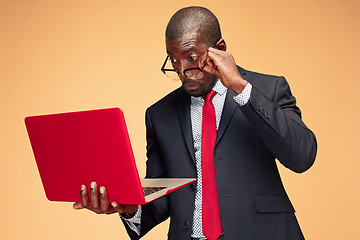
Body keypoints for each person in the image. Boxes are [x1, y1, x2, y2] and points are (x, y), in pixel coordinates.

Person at [73, 6, 317, 240]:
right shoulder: (159, 115)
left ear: (219, 48)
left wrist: (240, 88)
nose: (182, 72)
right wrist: (128, 207)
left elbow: (302, 156)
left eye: (191, 58)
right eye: (173, 60)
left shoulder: (266, 90)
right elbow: (162, 197)